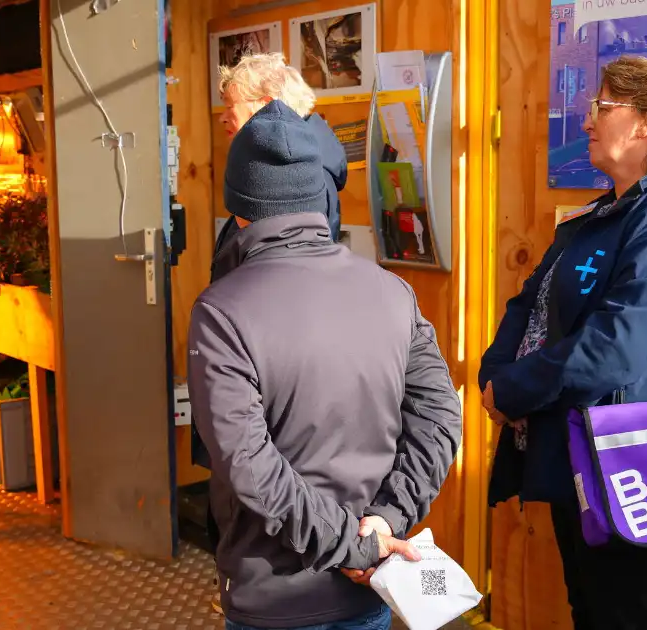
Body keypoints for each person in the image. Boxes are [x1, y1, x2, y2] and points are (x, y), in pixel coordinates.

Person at [480, 56, 647, 630]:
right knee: (591, 612)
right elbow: (530, 303)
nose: (588, 120)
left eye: (601, 107)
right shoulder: (599, 215)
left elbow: (622, 342)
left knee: (625, 619)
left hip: (638, 467)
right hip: (577, 460)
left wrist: (515, 390)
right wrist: (493, 376)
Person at [188, 99, 464, 630]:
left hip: (274, 595)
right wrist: (381, 524)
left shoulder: (221, 310)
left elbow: (247, 461)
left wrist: (350, 545)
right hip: (370, 582)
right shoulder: (393, 291)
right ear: (319, 197)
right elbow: (439, 417)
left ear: (239, 209)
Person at [212, 52, 348, 281]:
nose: (222, 118)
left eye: (230, 106)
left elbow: (294, 274)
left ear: (265, 107)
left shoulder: (300, 173)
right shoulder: (290, 163)